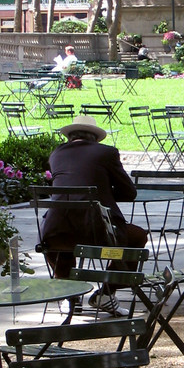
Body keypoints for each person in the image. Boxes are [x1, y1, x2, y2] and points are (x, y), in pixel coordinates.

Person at [40, 115, 148, 316]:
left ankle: (69, 293)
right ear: (95, 138)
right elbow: (129, 192)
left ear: (70, 137)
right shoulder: (106, 153)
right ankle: (106, 293)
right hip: (97, 234)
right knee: (137, 236)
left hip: (55, 234)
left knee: (64, 235)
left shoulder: (56, 154)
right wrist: (103, 193)